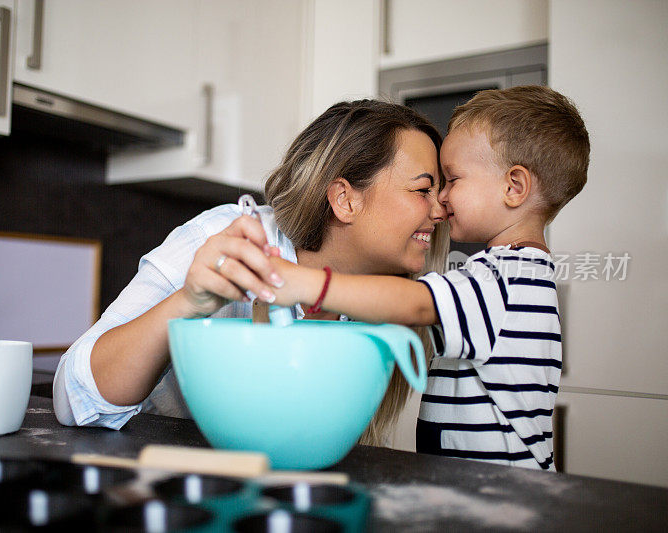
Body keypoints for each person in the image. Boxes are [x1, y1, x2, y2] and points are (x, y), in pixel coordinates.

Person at [53, 100, 451, 446]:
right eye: (422, 190)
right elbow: (73, 398)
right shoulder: (223, 240)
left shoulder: (389, 296)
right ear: (345, 199)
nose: (440, 209)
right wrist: (189, 302)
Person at [247, 86, 590, 470]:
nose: (441, 201)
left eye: (452, 180)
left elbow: (413, 302)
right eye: (429, 187)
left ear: (513, 187)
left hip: (493, 493)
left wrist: (308, 284)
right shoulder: (522, 274)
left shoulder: (502, 280)